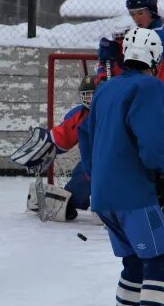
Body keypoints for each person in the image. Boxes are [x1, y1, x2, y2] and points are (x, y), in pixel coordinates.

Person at [79, 27, 164, 306]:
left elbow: (85, 135)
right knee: (163, 260)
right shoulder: (151, 86)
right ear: (154, 58)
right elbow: (153, 142)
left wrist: (97, 177)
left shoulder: (107, 88)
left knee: (135, 262)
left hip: (105, 193)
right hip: (132, 191)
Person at [97, 0, 164, 229]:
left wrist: (116, 59)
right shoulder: (147, 33)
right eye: (132, 14)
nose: (136, 18)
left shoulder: (157, 36)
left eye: (140, 12)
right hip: (163, 101)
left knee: (154, 152)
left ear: (152, 11)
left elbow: (144, 70)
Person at [12, 75, 101, 221]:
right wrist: (41, 149)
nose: (90, 99)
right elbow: (60, 137)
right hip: (91, 167)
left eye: (94, 95)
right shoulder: (79, 115)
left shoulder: (114, 111)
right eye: (87, 95)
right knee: (78, 184)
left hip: (118, 166)